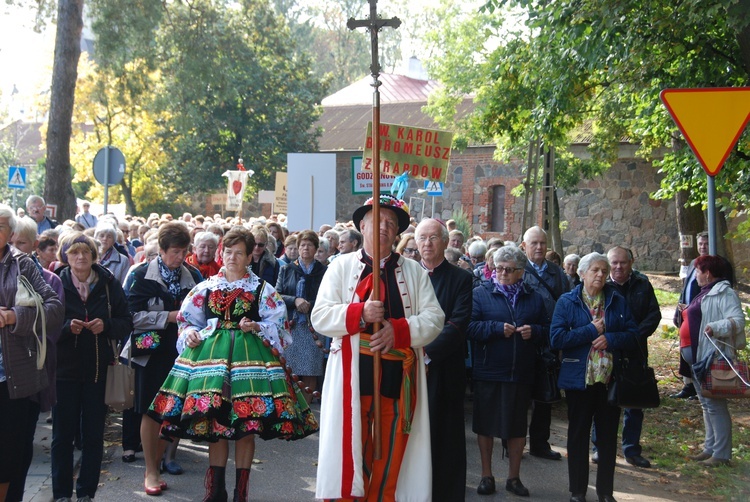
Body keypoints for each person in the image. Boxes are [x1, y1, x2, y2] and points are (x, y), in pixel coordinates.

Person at [148, 227, 318, 501]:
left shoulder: (263, 289)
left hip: (250, 366)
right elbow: (186, 320)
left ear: (250, 256)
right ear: (221, 252)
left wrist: (257, 326)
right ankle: (216, 490)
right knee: (217, 427)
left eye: (239, 253)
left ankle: (241, 491)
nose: (232, 257)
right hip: (209, 364)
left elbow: (280, 326)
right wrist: (190, 332)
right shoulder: (205, 287)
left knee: (245, 426)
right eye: (228, 251)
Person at [311, 195, 444, 501]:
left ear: (397, 232)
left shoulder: (414, 272)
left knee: (393, 450)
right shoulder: (340, 267)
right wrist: (359, 314)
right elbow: (320, 316)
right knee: (351, 447)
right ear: (362, 225)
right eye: (376, 220)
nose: (383, 227)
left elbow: (435, 318)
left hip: (398, 379)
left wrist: (398, 332)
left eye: (390, 223)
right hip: (352, 377)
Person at [550, 252, 639, 502]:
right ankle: (578, 491)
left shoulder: (616, 300)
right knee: (577, 436)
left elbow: (633, 334)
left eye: (604, 270)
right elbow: (556, 338)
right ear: (582, 273)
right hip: (580, 380)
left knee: (608, 439)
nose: (600, 274)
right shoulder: (567, 302)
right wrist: (590, 330)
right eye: (595, 270)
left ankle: (605, 492)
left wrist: (611, 338)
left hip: (609, 380)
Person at [51, 232, 132, 502]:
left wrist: (106, 325)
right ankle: (61, 494)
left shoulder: (108, 282)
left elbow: (126, 321)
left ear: (94, 255)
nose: (80, 257)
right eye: (74, 252)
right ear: (66, 256)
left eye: (86, 252)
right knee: (62, 436)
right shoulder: (55, 283)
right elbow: (43, 324)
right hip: (63, 371)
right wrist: (66, 328)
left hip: (98, 371)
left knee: (93, 435)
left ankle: (86, 493)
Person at [127, 222, 203, 496]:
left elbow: (203, 313)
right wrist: (167, 318)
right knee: (151, 410)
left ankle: (159, 463)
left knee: (175, 411)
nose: (180, 257)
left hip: (183, 353)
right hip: (150, 355)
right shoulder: (139, 275)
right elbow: (129, 317)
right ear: (160, 250)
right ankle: (150, 470)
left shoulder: (193, 276)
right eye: (174, 252)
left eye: (184, 251)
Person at [469, 245, 548, 498]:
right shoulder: (481, 294)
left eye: (509, 270)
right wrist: (494, 328)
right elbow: (469, 327)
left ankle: (514, 478)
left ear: (521, 272)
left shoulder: (534, 297)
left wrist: (533, 331)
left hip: (520, 372)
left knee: (516, 427)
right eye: (499, 268)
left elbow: (548, 330)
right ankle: (486, 475)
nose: (502, 273)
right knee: (485, 425)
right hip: (489, 370)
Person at [0, 204, 64, 502]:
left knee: (10, 455)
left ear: (11, 234)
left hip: (13, 378)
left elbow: (54, 309)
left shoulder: (22, 265)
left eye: (0, 226)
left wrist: (14, 316)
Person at [416, 218, 472, 501]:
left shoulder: (461, 278)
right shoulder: (408, 274)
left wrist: (426, 354)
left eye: (433, 238)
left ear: (445, 241)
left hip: (444, 368)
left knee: (445, 437)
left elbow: (458, 324)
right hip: (409, 366)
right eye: (422, 238)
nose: (427, 243)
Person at [592, 247, 661, 468]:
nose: (618, 267)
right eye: (614, 263)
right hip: (607, 350)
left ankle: (631, 449)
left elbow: (654, 315)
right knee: (603, 401)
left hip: (635, 352)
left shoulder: (642, 284)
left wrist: (634, 335)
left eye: (623, 263)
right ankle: (600, 447)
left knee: (634, 403)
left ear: (631, 262)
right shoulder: (602, 285)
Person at [681, 255, 745, 467]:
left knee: (715, 406)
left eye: (698, 271)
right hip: (698, 358)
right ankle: (710, 448)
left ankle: (721, 454)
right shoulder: (706, 292)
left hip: (712, 357)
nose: (696, 275)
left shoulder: (724, 292)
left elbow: (737, 321)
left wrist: (716, 327)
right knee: (707, 404)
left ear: (707, 273)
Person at [521, 225, 570, 461]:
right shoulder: (517, 269)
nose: (539, 247)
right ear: (524, 246)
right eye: (534, 243)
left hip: (549, 342)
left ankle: (540, 444)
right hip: (523, 341)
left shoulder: (557, 273)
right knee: (519, 397)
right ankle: (515, 443)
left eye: (542, 243)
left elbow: (566, 303)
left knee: (544, 397)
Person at [276, 230, 327, 401]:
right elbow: (277, 295)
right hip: (293, 325)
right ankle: (292, 404)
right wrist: (295, 300)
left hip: (312, 324)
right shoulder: (286, 269)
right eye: (302, 245)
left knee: (311, 368)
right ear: (297, 248)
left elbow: (327, 295)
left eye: (309, 245)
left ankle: (307, 406)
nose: (306, 248)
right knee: (291, 368)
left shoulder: (323, 271)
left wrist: (309, 304)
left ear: (315, 248)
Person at [672, 231, 710, 399]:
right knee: (685, 349)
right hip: (686, 312)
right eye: (700, 243)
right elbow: (686, 285)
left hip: (701, 315)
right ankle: (689, 386)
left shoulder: (717, 264)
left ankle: (702, 387)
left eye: (706, 244)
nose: (703, 247)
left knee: (699, 351)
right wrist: (678, 309)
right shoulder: (695, 262)